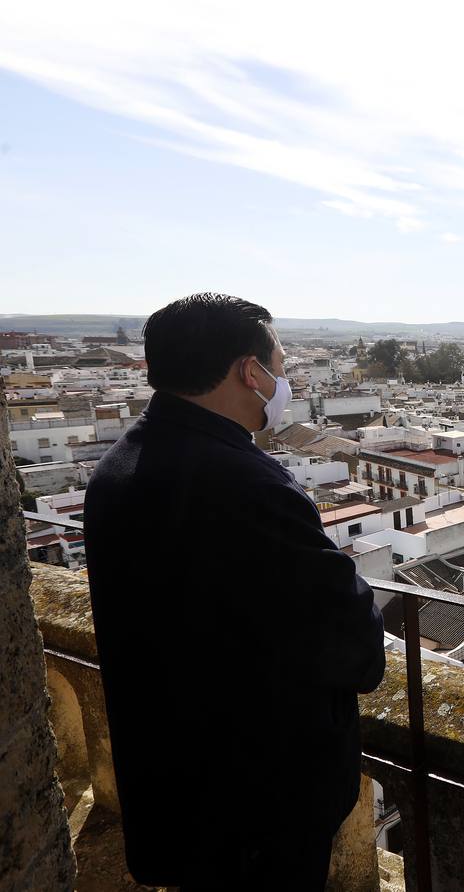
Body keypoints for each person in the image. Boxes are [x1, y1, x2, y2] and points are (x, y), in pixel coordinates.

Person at [83, 294, 386, 890]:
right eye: (279, 362)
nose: (285, 379)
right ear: (251, 372)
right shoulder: (243, 484)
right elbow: (353, 644)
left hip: (175, 782)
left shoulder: (118, 468)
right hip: (260, 802)